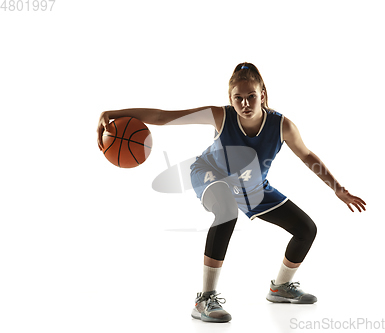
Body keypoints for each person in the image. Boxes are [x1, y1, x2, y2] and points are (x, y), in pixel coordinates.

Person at [96, 62, 366, 323]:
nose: (245, 104)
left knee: (307, 229)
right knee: (226, 212)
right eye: (239, 98)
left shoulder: (283, 126)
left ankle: (280, 288)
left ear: (263, 95)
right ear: (230, 98)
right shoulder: (220, 116)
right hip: (210, 174)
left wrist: (338, 190)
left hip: (252, 187)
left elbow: (307, 156)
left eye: (251, 97)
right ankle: (205, 299)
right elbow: (163, 117)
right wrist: (115, 113)